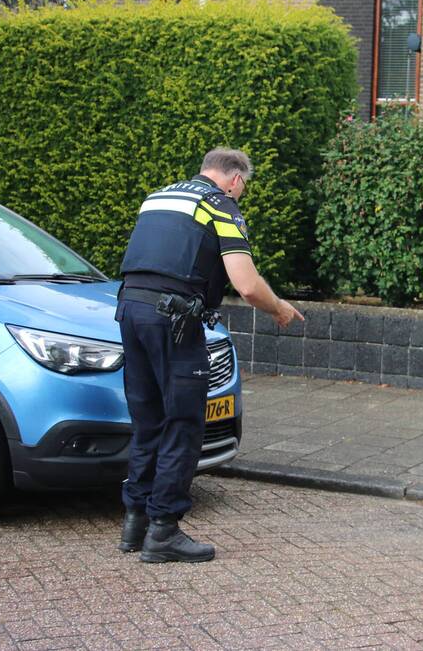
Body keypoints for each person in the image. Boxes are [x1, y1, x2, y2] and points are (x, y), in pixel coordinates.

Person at [115, 147, 303, 563]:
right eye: (244, 188)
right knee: (183, 423)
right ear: (235, 180)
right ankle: (163, 531)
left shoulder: (159, 196)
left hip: (130, 310)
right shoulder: (220, 205)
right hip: (174, 320)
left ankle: (135, 523)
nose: (241, 195)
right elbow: (247, 284)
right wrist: (279, 309)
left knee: (147, 421)